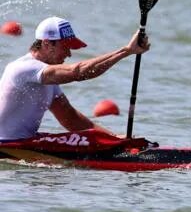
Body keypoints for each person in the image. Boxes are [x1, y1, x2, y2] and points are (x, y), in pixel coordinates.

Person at [0, 16, 149, 140]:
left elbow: (71, 119)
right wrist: (126, 51)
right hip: (6, 145)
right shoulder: (23, 68)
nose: (69, 54)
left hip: (25, 143)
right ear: (47, 43)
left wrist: (114, 139)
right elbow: (78, 72)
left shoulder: (48, 78)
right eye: (65, 47)